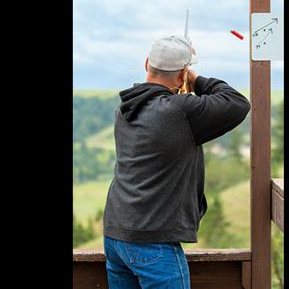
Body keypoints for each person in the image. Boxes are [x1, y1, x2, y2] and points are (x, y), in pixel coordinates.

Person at [103, 35, 251, 288]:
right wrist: (195, 79)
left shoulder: (126, 107)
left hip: (116, 233)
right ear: (183, 72)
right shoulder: (179, 111)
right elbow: (237, 103)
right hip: (152, 237)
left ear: (146, 63)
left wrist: (180, 85)